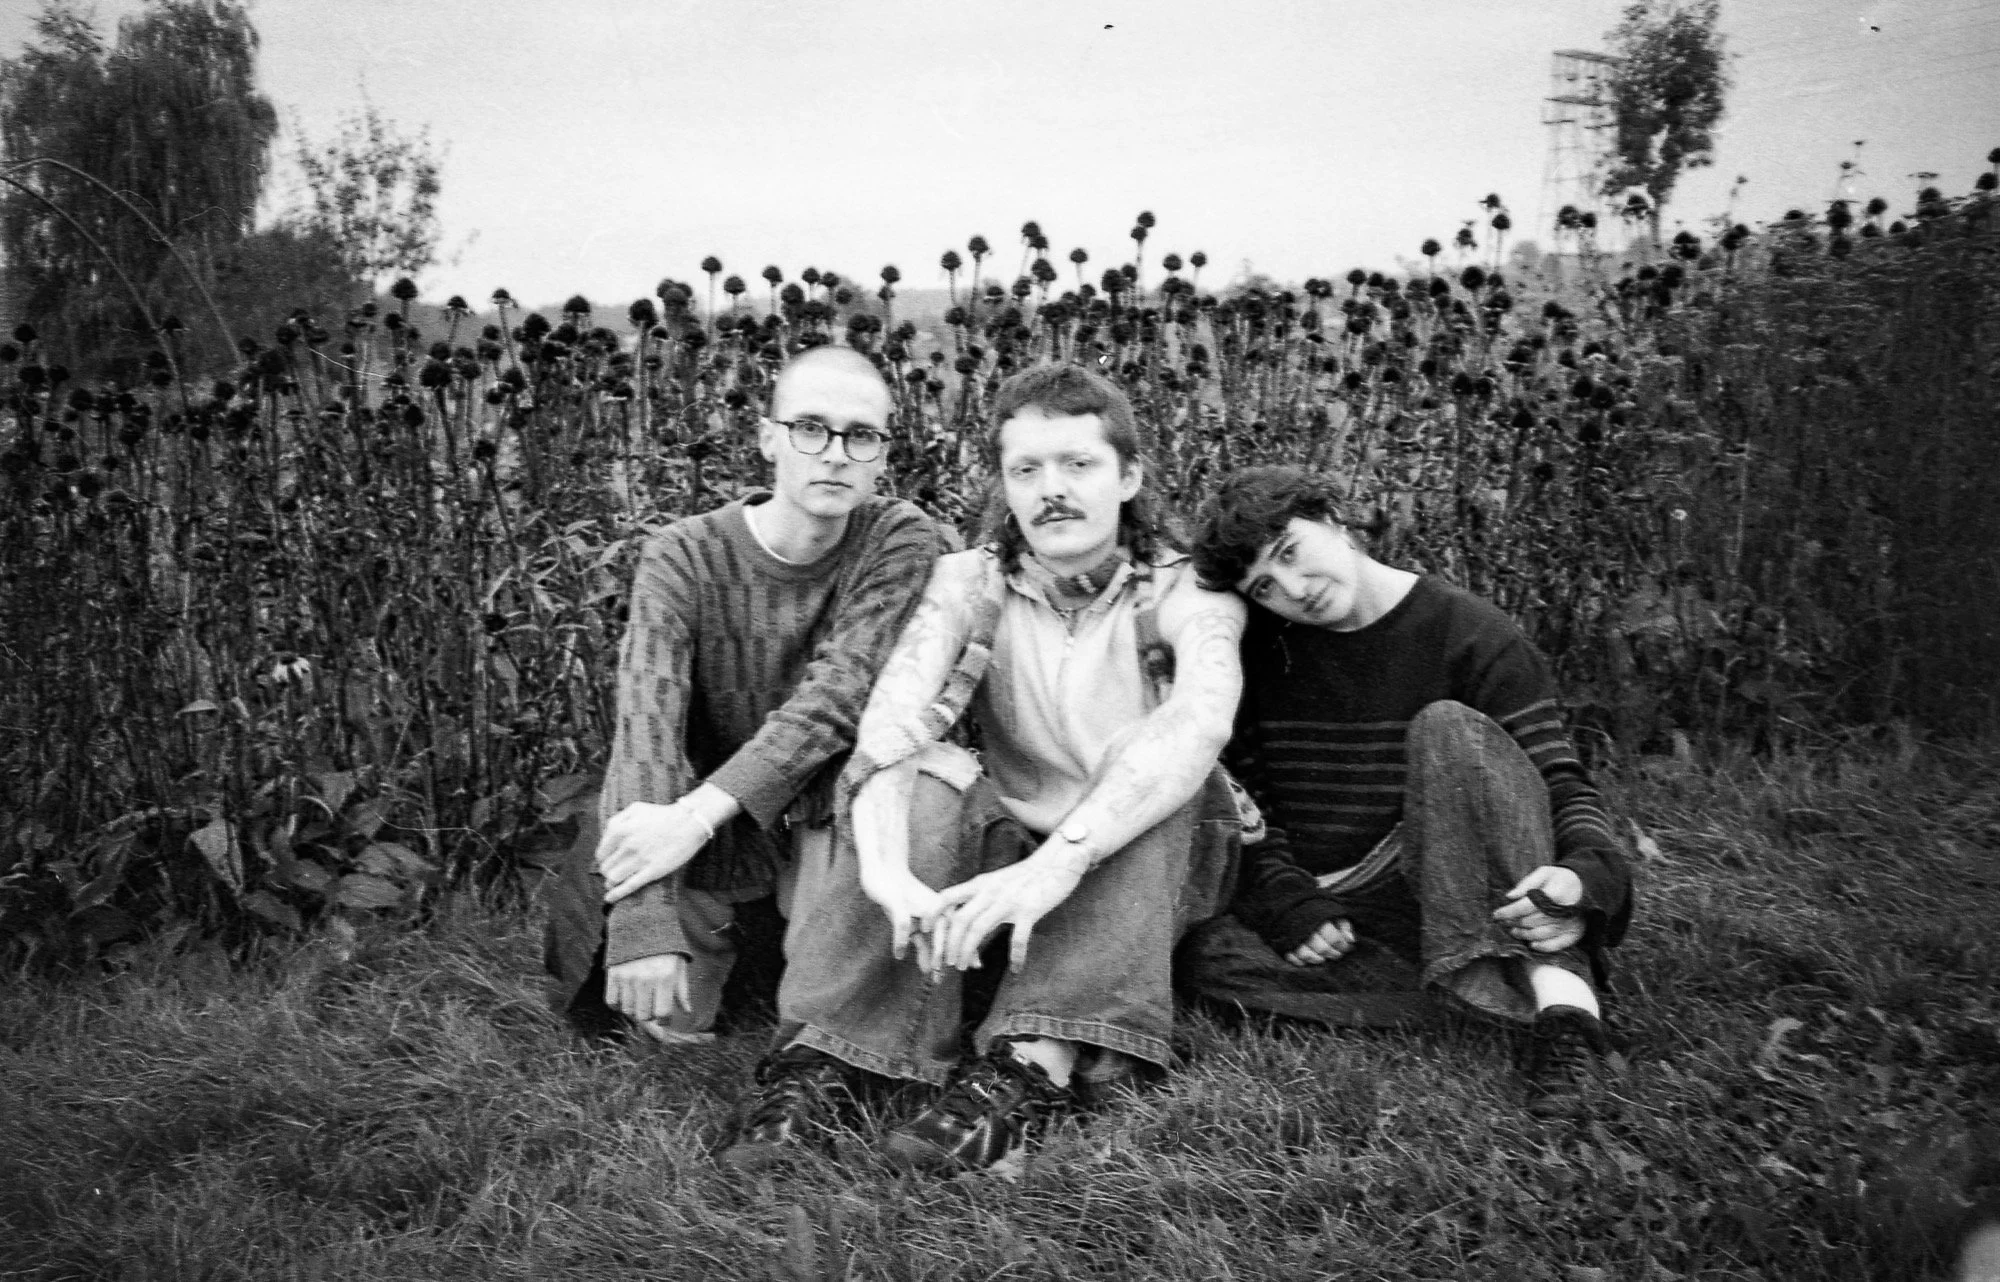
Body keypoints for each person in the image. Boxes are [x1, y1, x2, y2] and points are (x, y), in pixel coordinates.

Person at [716, 362, 1250, 1174]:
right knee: (922, 769)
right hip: (1011, 857)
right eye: (1026, 470)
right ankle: (828, 1061)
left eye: (1079, 465)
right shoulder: (968, 581)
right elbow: (890, 725)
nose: (1052, 491)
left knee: (1151, 759)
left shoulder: (1187, 590)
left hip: (1149, 855)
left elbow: (1201, 718)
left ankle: (1035, 1064)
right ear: (1004, 485)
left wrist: (1061, 864)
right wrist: (888, 869)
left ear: (1130, 476)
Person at [1182, 464, 1634, 1119]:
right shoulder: (1258, 659)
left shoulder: (1469, 631)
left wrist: (1587, 877)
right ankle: (1461, 987)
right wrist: (1285, 898)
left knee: (1451, 730)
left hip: (1453, 873)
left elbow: (1554, 780)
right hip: (1344, 908)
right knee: (1204, 957)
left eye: (1290, 552)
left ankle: (1565, 1011)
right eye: (1264, 586)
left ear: (1334, 520)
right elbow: (1251, 808)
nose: (1293, 588)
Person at [542, 344, 950, 1042]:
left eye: (862, 436)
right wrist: (644, 915)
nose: (835, 454)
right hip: (708, 833)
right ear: (767, 438)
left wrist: (692, 819)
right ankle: (717, 942)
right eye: (810, 428)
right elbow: (648, 728)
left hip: (825, 818)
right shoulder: (684, 554)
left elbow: (836, 698)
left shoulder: (897, 536)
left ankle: (805, 970)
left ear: (883, 453)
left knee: (818, 997)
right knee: (665, 1026)